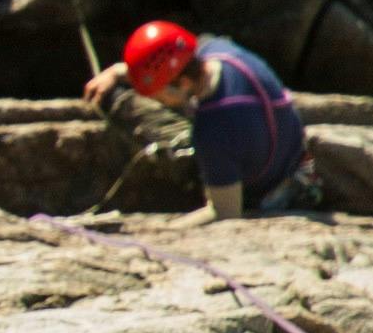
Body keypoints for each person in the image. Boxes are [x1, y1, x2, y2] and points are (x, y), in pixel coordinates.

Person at [80, 18, 316, 224]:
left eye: (157, 93)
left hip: (272, 196)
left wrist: (166, 231)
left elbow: (225, 213)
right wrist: (119, 72)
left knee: (120, 103)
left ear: (182, 83)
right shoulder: (218, 48)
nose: (154, 100)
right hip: (295, 163)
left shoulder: (212, 130)